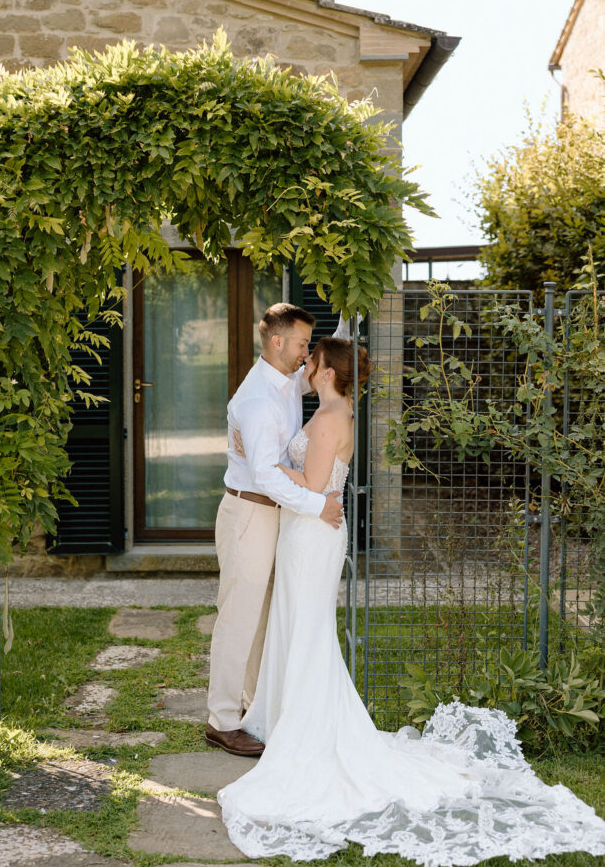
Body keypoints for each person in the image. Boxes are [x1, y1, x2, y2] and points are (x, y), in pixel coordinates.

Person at [218, 337, 605, 865]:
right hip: (305, 530)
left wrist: (262, 465)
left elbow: (311, 483)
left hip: (312, 534)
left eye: (312, 359)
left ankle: (307, 729)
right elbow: (315, 484)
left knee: (306, 629)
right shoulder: (332, 408)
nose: (305, 365)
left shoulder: (332, 418)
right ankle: (284, 716)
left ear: (328, 371)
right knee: (296, 624)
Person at [205, 304, 344, 757]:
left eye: (310, 348)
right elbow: (265, 475)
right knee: (239, 617)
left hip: (276, 516)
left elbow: (330, 369)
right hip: (250, 512)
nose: (308, 355)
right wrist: (318, 505)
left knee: (263, 619)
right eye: (302, 344)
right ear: (278, 342)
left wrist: (347, 323)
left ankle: (251, 710)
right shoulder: (259, 400)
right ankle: (221, 721)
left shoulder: (287, 380)